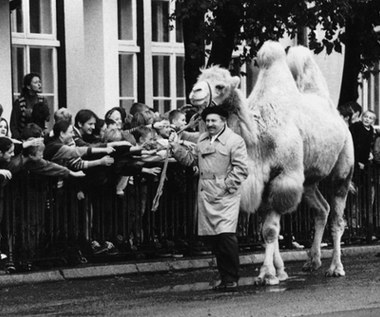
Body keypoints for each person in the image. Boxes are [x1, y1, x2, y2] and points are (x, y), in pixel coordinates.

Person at [169, 105, 249, 291]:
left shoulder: (235, 141)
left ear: (224, 121)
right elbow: (191, 161)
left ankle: (231, 277)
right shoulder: (203, 139)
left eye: (214, 120)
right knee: (213, 239)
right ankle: (225, 276)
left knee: (226, 236)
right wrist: (175, 147)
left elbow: (241, 169)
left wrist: (227, 186)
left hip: (226, 195)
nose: (210, 124)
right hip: (205, 193)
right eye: (208, 121)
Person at [10, 73, 49, 139]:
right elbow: (14, 125)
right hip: (23, 137)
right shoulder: (20, 102)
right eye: (36, 82)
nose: (39, 84)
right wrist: (20, 141)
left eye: (39, 82)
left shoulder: (42, 100)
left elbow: (47, 119)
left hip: (40, 137)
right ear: (28, 86)